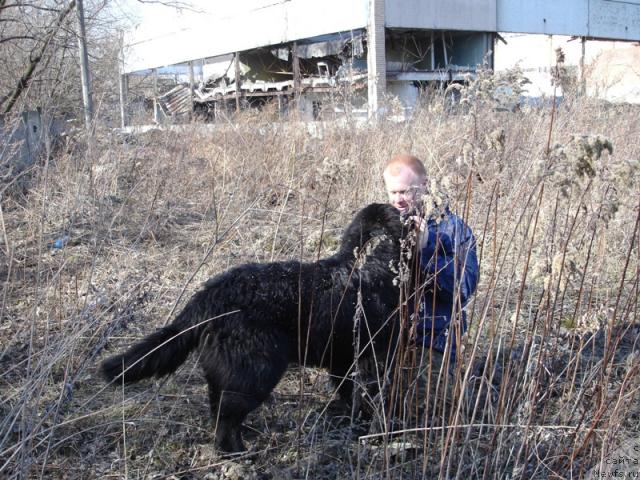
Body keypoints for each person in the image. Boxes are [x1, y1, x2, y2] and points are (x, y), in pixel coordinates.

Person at [383, 154, 479, 362]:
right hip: (387, 340)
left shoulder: (453, 229)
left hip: (433, 342)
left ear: (424, 185)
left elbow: (463, 288)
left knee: (422, 392)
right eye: (393, 192)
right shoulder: (383, 227)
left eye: (405, 192)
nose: (398, 200)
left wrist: (425, 250)